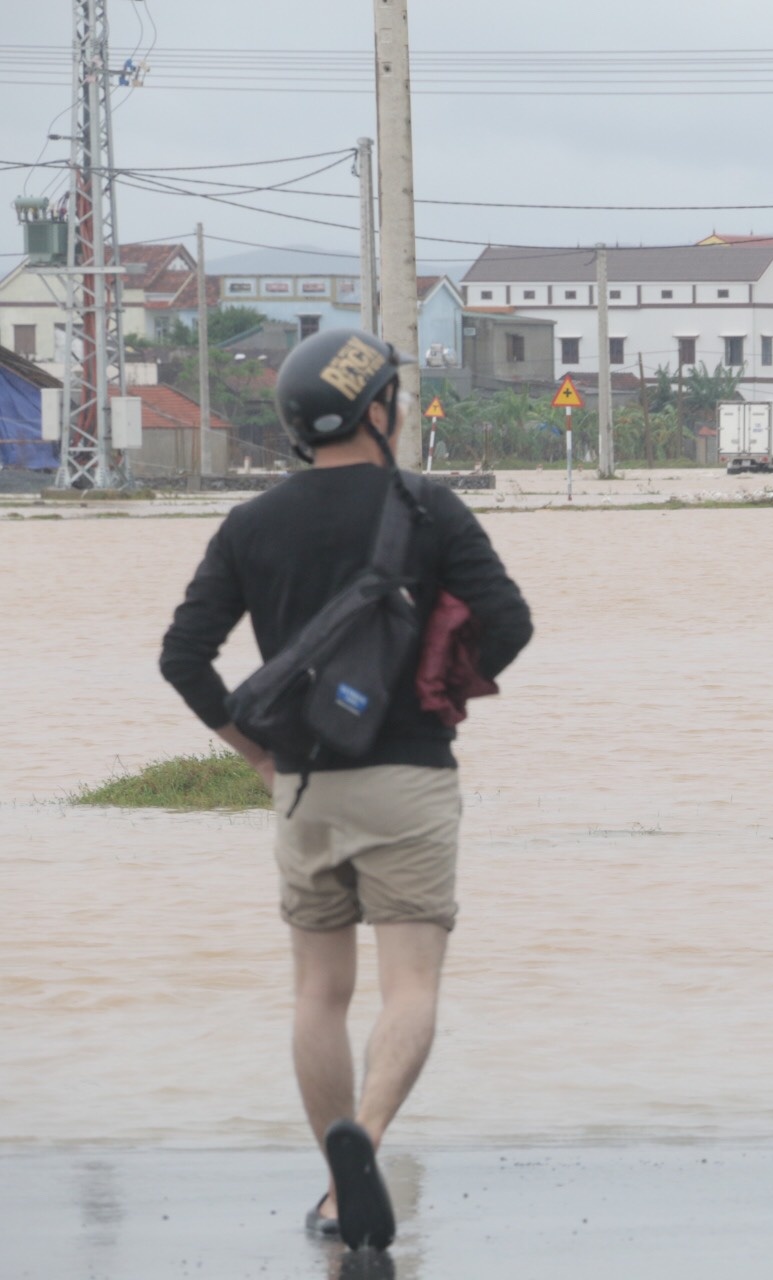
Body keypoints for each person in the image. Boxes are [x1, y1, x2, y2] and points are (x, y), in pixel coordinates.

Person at [158, 329, 534, 1250]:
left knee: (318, 993)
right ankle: (364, 1142)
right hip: (408, 775)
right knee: (410, 986)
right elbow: (511, 624)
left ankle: (336, 1184)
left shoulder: (252, 523)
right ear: (377, 411)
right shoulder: (428, 508)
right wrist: (442, 677)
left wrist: (254, 753)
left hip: (306, 786)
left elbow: (184, 658)